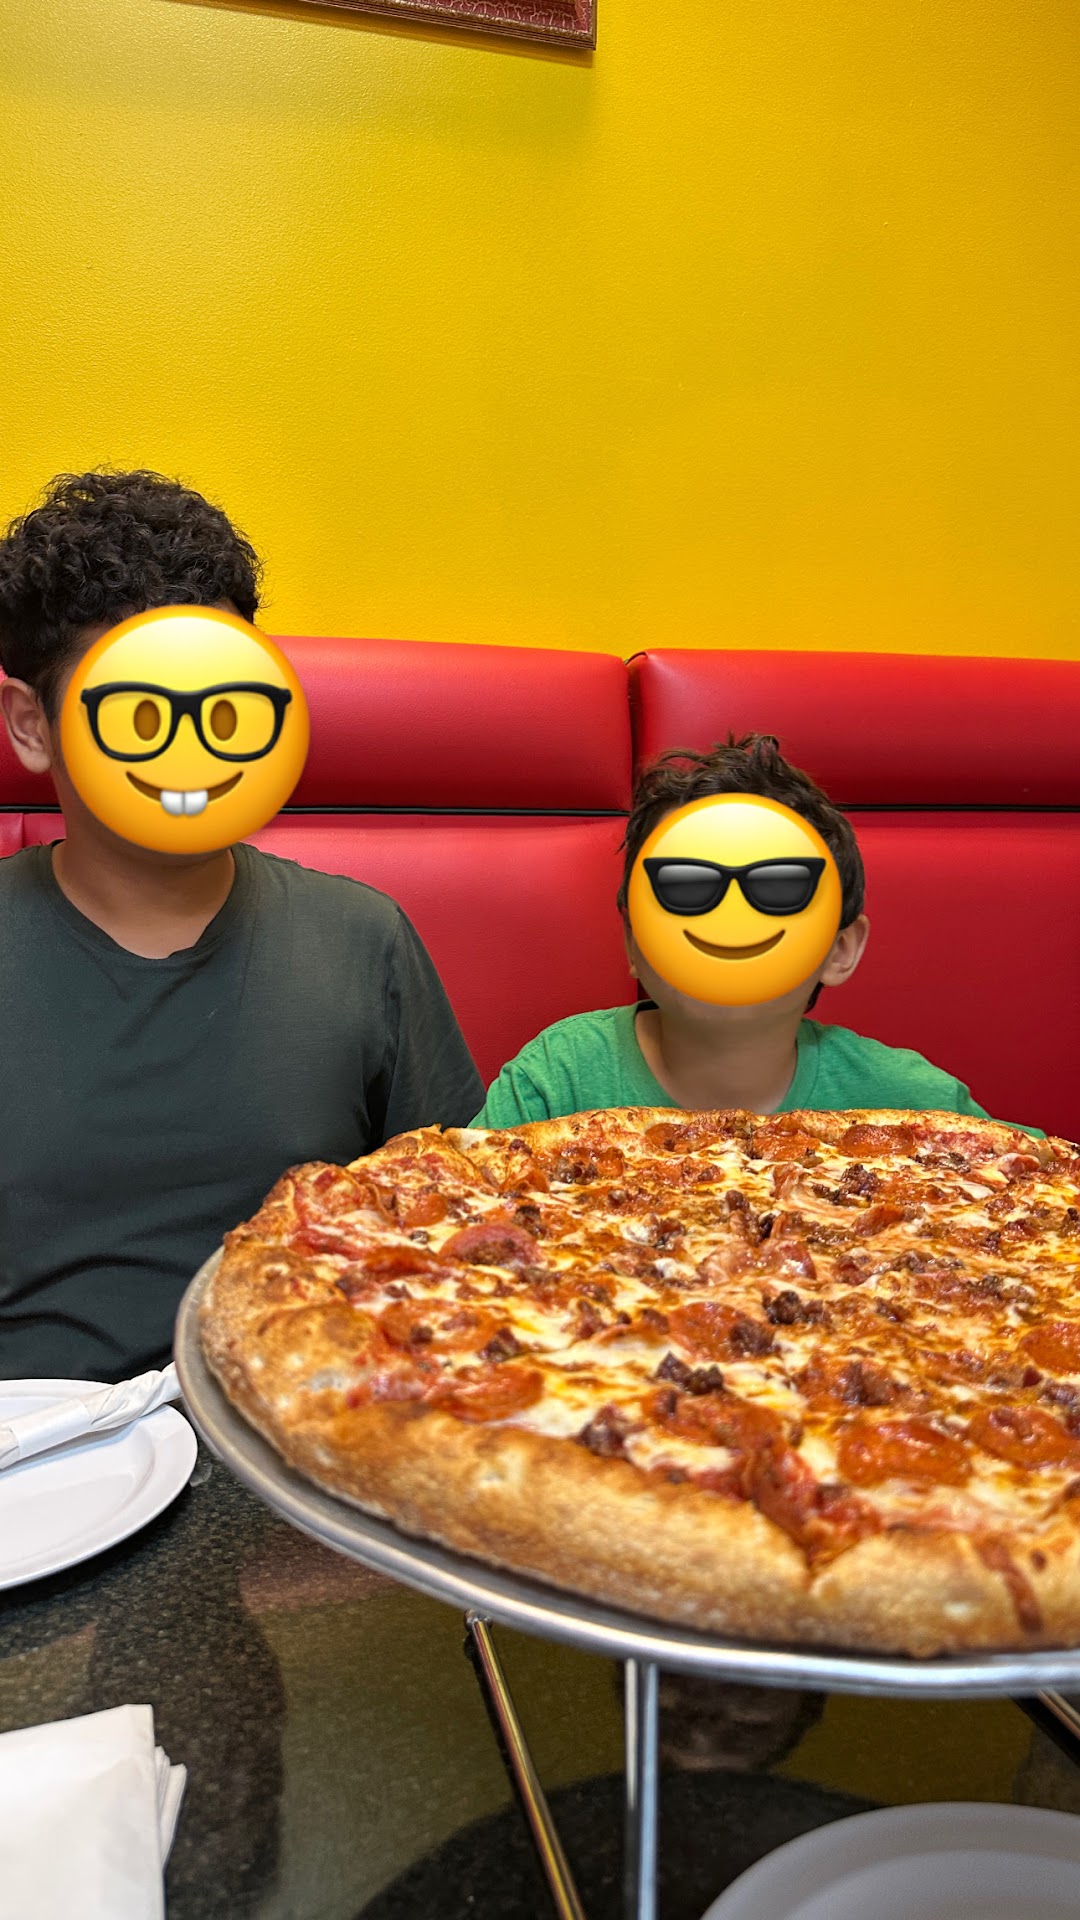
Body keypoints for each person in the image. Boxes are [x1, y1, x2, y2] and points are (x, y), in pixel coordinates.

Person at [0, 470, 483, 1382]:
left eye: (222, 709)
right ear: (32, 725)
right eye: (142, 714)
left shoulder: (364, 938)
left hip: (299, 1423)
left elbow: (451, 1235)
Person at [472, 734, 999, 1128]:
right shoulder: (557, 1081)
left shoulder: (915, 1103)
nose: (730, 914)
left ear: (840, 949)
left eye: (779, 887)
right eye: (685, 887)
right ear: (634, 941)